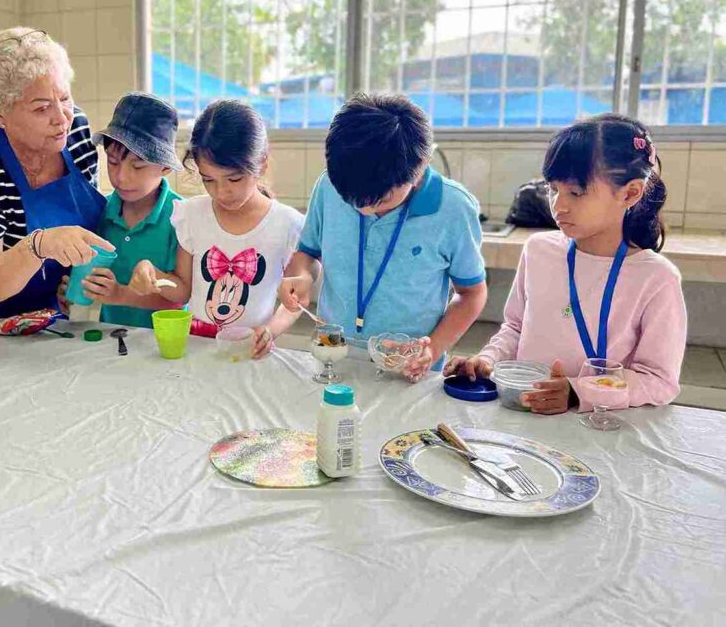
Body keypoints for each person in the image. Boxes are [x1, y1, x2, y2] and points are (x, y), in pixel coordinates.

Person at [445, 114, 686, 413]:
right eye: (553, 189)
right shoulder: (539, 251)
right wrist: (488, 360)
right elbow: (516, 328)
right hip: (525, 413)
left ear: (630, 193)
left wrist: (576, 391)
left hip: (600, 431)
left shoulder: (657, 278)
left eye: (576, 192)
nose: (558, 205)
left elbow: (659, 381)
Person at [279, 93, 488, 381]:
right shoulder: (329, 186)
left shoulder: (453, 208)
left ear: (421, 165)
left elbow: (472, 294)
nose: (363, 209)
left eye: (382, 200)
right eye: (351, 200)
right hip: (332, 358)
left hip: (408, 371)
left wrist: (433, 348)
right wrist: (302, 277)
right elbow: (308, 253)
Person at [0, 27, 114, 319]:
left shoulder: (74, 127)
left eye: (64, 98)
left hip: (51, 311)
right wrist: (38, 245)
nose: (61, 118)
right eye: (42, 108)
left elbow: (84, 228)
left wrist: (75, 285)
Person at [129, 100, 304, 359]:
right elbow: (182, 289)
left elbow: (296, 301)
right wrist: (152, 274)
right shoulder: (192, 215)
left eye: (234, 179)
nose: (221, 192)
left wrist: (270, 329)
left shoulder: (287, 224)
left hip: (251, 350)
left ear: (262, 164)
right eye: (208, 180)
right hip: (197, 347)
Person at [60, 93, 184, 328]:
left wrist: (122, 295)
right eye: (113, 162)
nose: (121, 177)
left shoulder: (181, 217)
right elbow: (87, 284)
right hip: (108, 342)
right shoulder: (99, 211)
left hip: (163, 345)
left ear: (165, 167)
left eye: (137, 166)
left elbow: (181, 299)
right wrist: (71, 297)